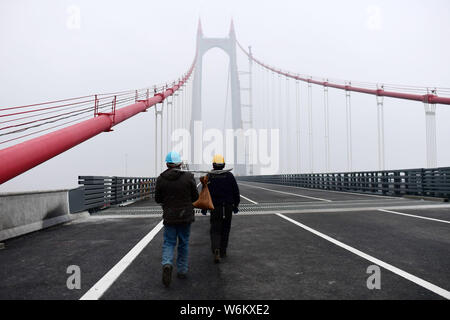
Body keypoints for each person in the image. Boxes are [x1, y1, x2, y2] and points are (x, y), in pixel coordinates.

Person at [155, 151, 199, 287]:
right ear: (180, 163)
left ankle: (167, 263)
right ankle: (182, 270)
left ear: (167, 164)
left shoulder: (161, 179)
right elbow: (195, 197)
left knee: (168, 242)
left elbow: (158, 199)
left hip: (169, 215)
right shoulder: (188, 177)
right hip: (185, 216)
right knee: (183, 243)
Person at [203, 154, 240, 263]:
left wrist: (204, 208)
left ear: (213, 164)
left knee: (215, 229)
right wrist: (236, 205)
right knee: (226, 229)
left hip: (215, 208)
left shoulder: (209, 176)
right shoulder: (229, 176)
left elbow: (205, 193)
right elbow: (236, 192)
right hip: (227, 207)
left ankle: (216, 249)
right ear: (223, 164)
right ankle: (223, 251)